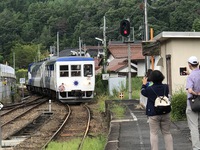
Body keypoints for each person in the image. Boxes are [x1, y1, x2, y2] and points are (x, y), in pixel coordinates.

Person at [141, 70, 173, 150]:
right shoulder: (166, 87)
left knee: (154, 133)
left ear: (151, 78)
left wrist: (144, 84)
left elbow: (143, 92)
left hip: (153, 113)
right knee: (167, 133)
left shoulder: (149, 89)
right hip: (166, 112)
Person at [185, 56, 200, 150]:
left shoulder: (191, 77)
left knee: (194, 127)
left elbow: (190, 90)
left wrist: (197, 93)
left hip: (193, 103)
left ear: (190, 65)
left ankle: (196, 147)